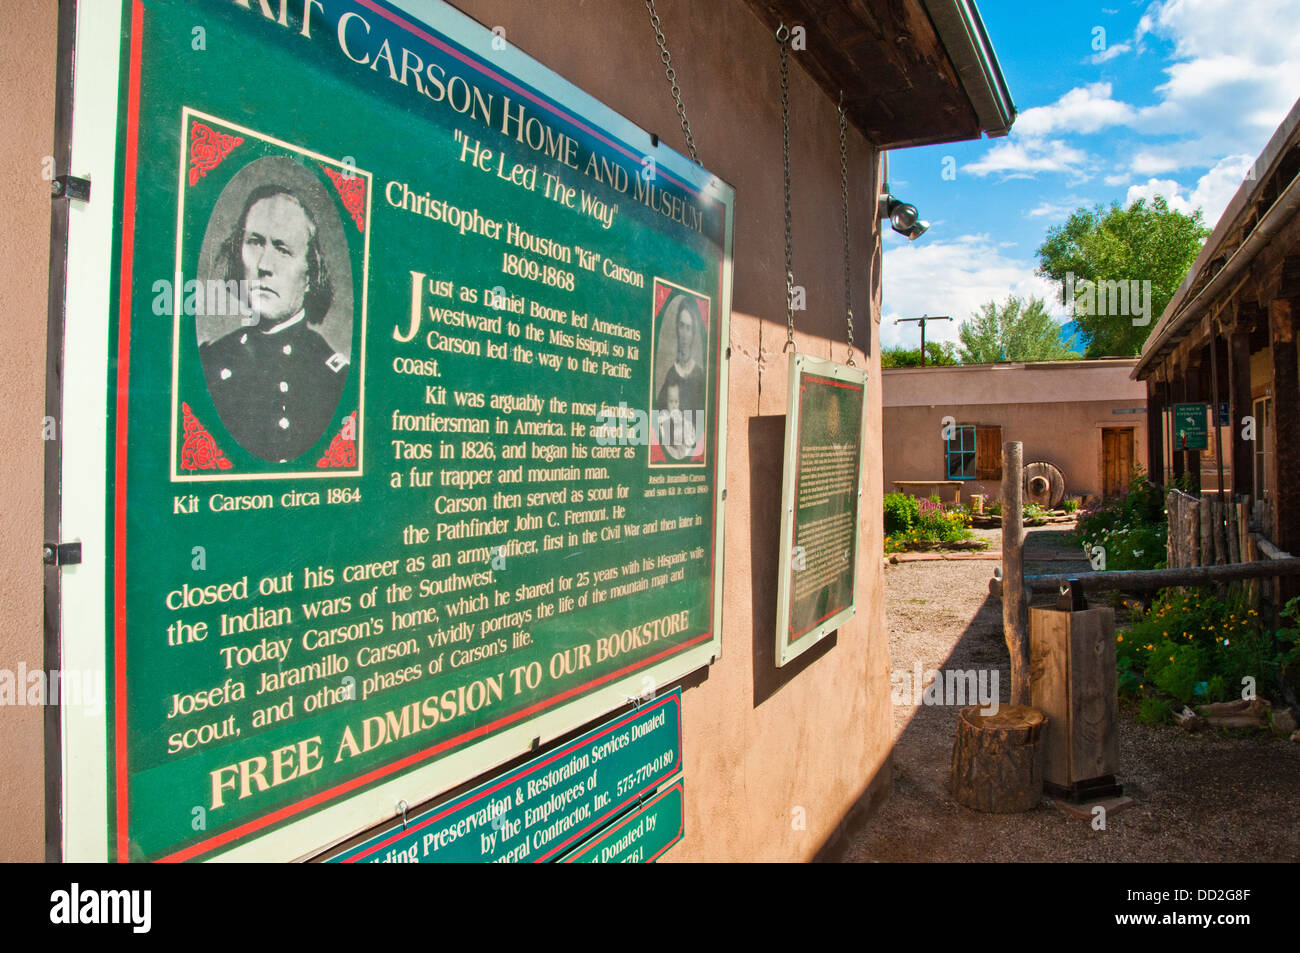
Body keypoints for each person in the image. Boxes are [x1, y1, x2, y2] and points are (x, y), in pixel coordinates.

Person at [200, 183, 348, 462]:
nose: (264, 265)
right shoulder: (213, 358)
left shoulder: (333, 377)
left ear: (309, 276)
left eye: (282, 249)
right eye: (255, 242)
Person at [654, 295, 706, 448]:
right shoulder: (671, 373)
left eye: (688, 328)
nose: (684, 333)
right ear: (677, 329)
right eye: (682, 326)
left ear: (693, 333)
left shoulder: (699, 376)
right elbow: (659, 415)